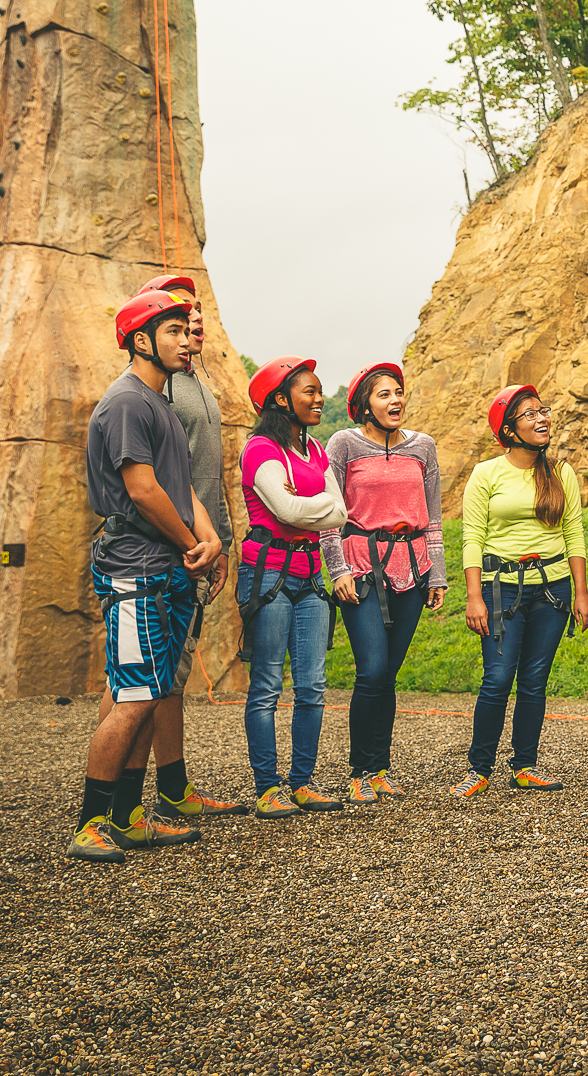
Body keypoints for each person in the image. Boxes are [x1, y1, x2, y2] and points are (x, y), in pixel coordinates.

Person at [83, 273, 246, 824]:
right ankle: (92, 822)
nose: (187, 337)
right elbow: (142, 489)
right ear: (141, 340)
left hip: (165, 565)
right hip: (136, 566)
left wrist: (212, 543)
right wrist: (189, 543)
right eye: (173, 329)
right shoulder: (129, 402)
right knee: (133, 696)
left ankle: (127, 816)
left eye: (186, 328)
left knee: (145, 692)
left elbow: (182, 490)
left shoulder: (158, 404)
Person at [452, 385, 588, 799]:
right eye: (530, 414)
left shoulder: (561, 473)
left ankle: (524, 766)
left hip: (552, 591)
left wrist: (581, 593)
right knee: (497, 680)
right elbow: (472, 538)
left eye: (543, 411)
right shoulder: (486, 473)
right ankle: (479, 769)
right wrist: (474, 596)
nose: (542, 419)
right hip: (500, 590)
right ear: (508, 428)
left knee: (534, 681)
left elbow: (574, 534)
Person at [324, 362, 447, 804]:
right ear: (364, 404)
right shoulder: (344, 444)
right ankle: (359, 770)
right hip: (360, 567)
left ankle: (379, 767)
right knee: (372, 671)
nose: (395, 400)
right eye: (384, 395)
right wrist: (336, 570)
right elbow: (327, 515)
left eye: (398, 392)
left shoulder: (423, 447)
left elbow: (432, 517)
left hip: (412, 568)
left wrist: (438, 573)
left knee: (389, 675)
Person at [237, 356, 349, 817]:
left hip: (309, 576)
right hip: (268, 575)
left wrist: (311, 505)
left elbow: (338, 514)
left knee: (312, 686)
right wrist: (314, 504)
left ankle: (301, 783)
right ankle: (268, 788)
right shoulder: (259, 449)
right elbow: (286, 511)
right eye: (310, 391)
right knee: (266, 685)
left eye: (320, 391)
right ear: (281, 399)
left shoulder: (316, 450)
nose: (320, 398)